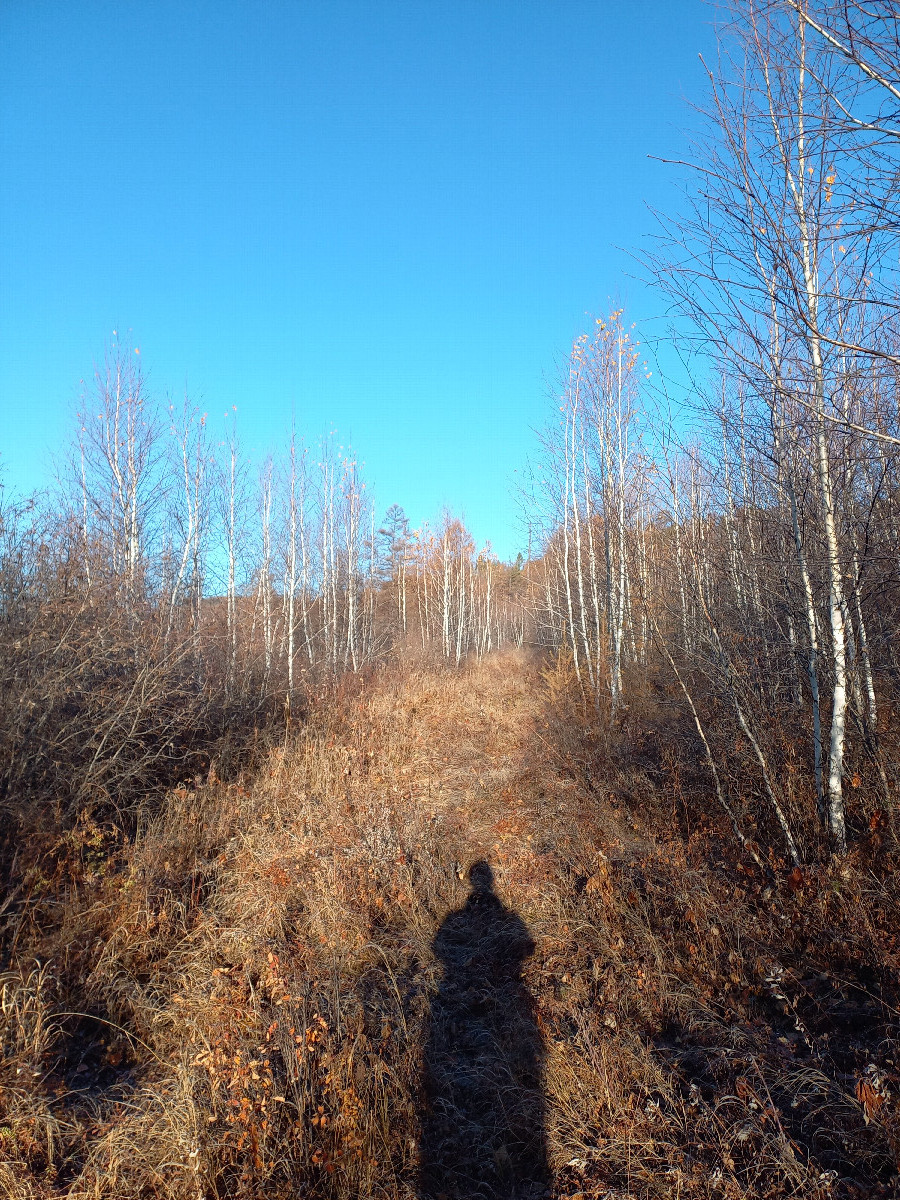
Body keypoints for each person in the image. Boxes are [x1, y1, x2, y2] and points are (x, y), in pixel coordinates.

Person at [419, 861, 548, 1199]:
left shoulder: (457, 920)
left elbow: (438, 947)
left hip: (464, 995)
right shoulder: (507, 918)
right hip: (501, 1002)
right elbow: (528, 946)